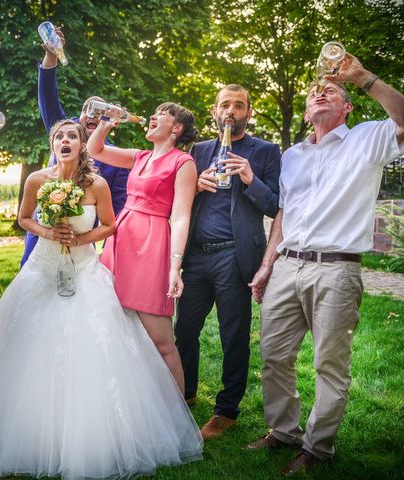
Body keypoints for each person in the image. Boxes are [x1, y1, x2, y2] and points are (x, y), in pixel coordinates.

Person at [0, 119, 203, 478]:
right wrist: (47, 230)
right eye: (60, 136)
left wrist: (81, 240)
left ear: (82, 145)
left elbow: (110, 225)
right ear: (52, 143)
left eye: (73, 136)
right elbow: (24, 218)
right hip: (42, 268)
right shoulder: (37, 180)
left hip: (85, 271)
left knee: (92, 347)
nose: (66, 140)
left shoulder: (96, 184)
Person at [246, 54, 404, 475]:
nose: (319, 93)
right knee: (274, 355)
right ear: (307, 112)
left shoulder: (367, 139)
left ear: (346, 107)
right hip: (288, 265)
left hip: (337, 269)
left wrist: (360, 77)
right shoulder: (292, 156)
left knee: (329, 363)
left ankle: (317, 448)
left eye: (330, 91)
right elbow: (284, 214)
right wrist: (268, 264)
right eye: (313, 93)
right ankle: (283, 431)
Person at [174, 85, 280, 440]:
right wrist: (195, 186)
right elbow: (178, 203)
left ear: (248, 112)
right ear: (215, 111)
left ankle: (226, 411)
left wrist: (250, 177)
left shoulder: (264, 151)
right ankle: (186, 393)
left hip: (235, 256)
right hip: (197, 257)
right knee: (184, 331)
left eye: (239, 105)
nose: (231, 111)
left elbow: (274, 206)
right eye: (225, 105)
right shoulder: (199, 150)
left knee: (233, 335)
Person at [87, 102, 198, 393]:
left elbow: (182, 215)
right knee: (117, 326)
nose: (152, 116)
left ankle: (179, 415)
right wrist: (106, 123)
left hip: (152, 244)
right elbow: (94, 150)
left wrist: (175, 266)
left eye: (161, 114)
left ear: (176, 128)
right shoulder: (140, 157)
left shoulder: (183, 163)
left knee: (162, 341)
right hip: (121, 239)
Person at [21, 26, 130, 266]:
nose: (92, 115)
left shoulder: (118, 161)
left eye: (100, 112)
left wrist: (101, 248)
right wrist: (51, 57)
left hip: (82, 245)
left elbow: (119, 214)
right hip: (41, 239)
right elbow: (48, 97)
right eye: (87, 110)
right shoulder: (64, 131)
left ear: (108, 119)